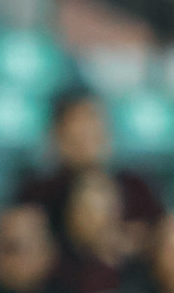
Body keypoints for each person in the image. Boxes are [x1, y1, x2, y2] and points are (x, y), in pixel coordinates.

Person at [15, 89, 166, 259]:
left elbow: (159, 239)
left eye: (93, 119)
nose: (87, 131)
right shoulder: (37, 194)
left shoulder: (138, 187)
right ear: (57, 135)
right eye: (77, 124)